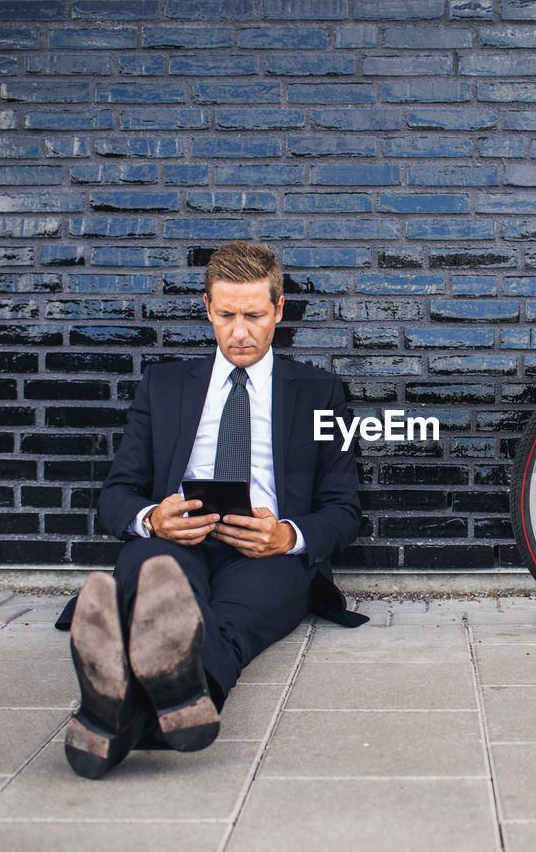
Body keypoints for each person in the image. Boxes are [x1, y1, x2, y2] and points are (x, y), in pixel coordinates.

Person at [58, 241, 365, 779]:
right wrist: (153, 519)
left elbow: (343, 509)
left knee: (226, 624)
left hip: (265, 556)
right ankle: (178, 702)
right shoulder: (164, 385)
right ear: (207, 308)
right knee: (160, 586)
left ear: (279, 309)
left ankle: (117, 709)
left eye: (253, 315)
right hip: (172, 544)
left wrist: (287, 536)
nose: (239, 332)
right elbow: (115, 494)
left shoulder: (320, 391)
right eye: (226, 316)